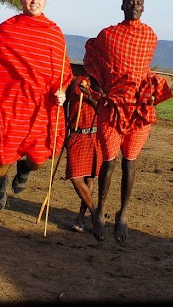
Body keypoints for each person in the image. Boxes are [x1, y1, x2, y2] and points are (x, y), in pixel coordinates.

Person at [0, 0, 72, 211]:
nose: (34, 1)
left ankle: (24, 169)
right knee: (4, 152)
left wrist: (62, 91)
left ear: (45, 1)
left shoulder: (54, 32)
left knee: (38, 158)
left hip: (41, 105)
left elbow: (63, 71)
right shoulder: (7, 28)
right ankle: (0, 182)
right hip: (11, 103)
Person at [87, 0, 173, 242]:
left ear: (143, 8)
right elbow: (93, 54)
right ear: (122, 6)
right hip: (112, 105)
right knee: (109, 161)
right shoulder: (108, 35)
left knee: (130, 162)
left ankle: (122, 214)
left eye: (139, 3)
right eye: (130, 2)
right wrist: (99, 84)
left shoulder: (149, 36)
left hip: (139, 107)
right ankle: (100, 212)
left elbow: (140, 67)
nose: (135, 6)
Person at [62, 50, 101, 233]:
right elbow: (63, 105)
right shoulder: (74, 80)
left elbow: (102, 110)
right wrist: (62, 130)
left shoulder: (100, 84)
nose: (88, 62)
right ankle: (95, 214)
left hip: (93, 134)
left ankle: (81, 218)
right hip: (75, 134)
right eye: (86, 58)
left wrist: (90, 95)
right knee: (75, 177)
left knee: (89, 177)